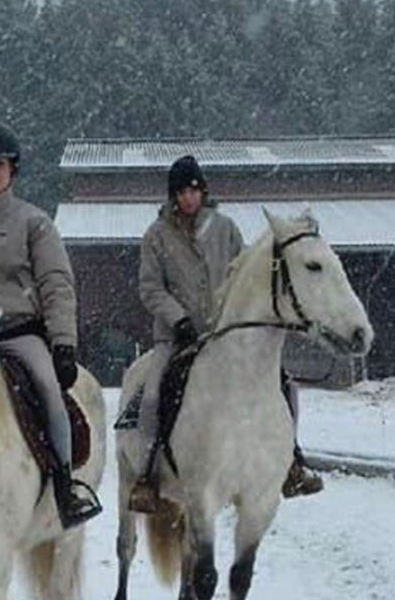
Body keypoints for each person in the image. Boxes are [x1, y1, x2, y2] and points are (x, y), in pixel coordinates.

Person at [128, 155, 322, 513]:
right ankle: (147, 476)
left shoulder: (226, 229)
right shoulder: (156, 236)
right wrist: (179, 319)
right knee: (153, 395)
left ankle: (292, 461)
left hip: (223, 335)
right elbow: (150, 288)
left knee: (285, 385)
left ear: (203, 192)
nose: (189, 197)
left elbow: (243, 273)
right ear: (173, 195)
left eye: (195, 190)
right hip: (175, 337)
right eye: (183, 191)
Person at [0, 122, 102, 529]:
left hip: (18, 334)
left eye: (0, 163)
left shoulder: (34, 223)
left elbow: (56, 283)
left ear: (13, 169)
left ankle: (65, 483)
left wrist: (64, 343)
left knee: (50, 389)